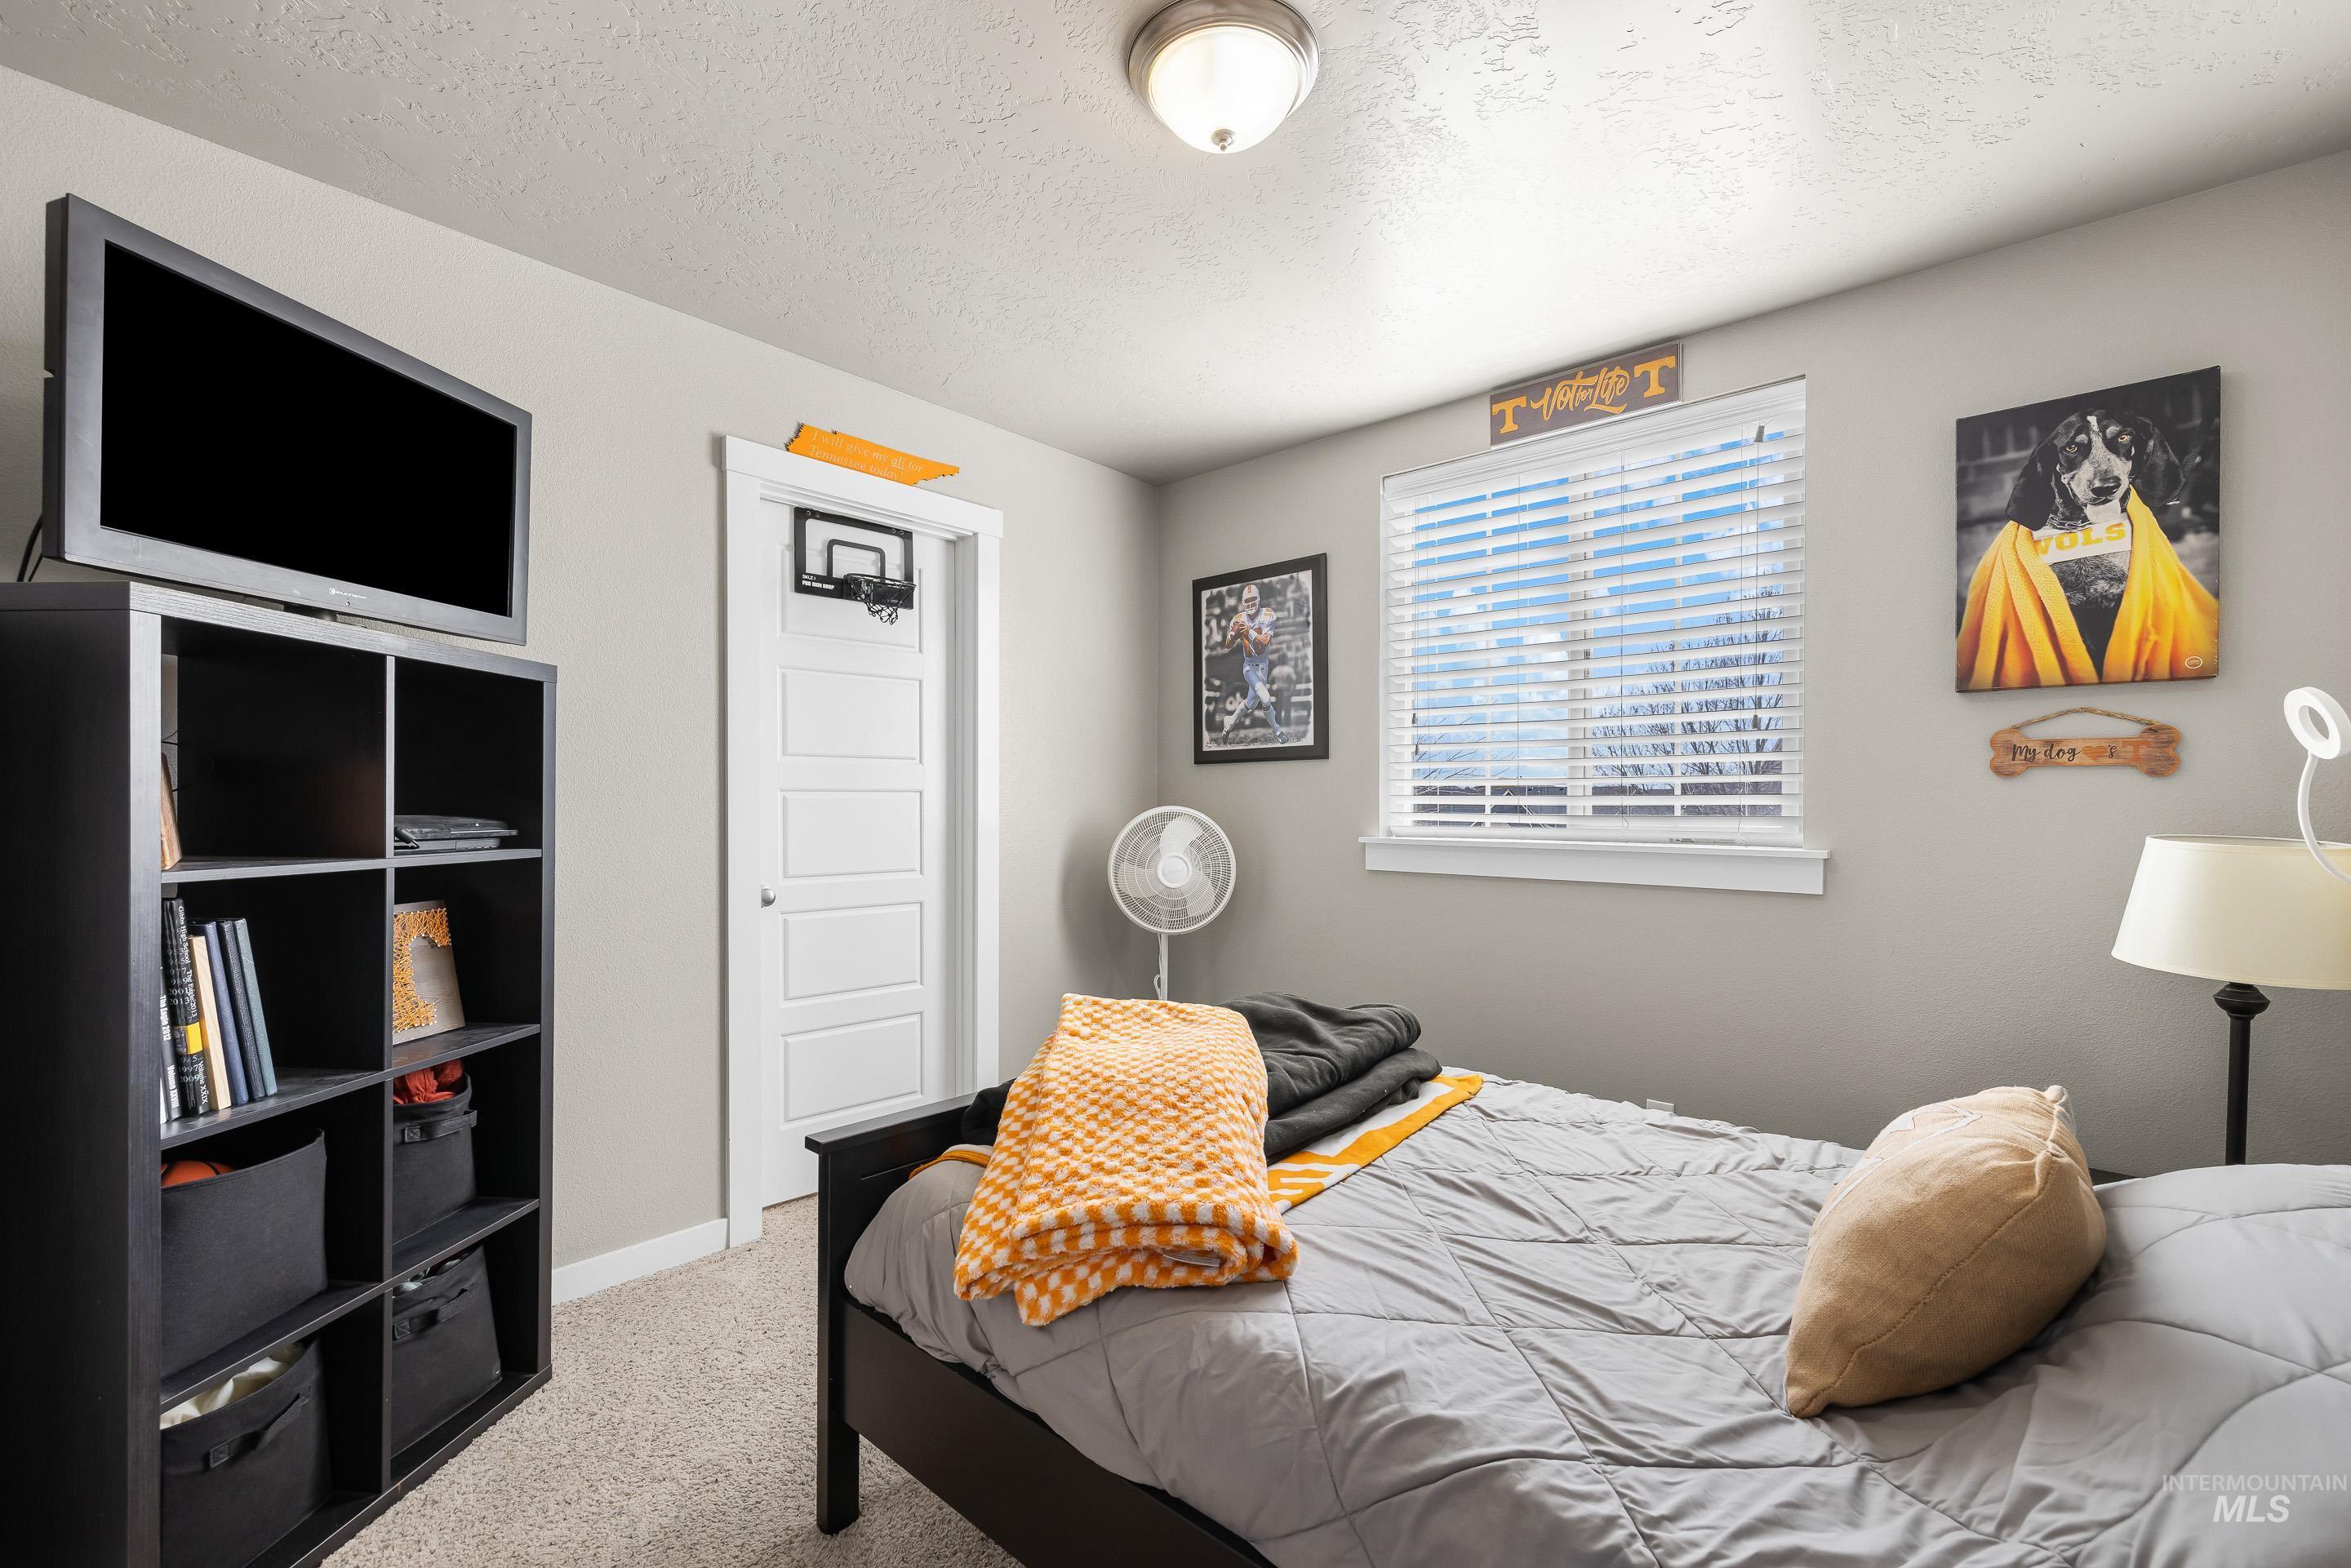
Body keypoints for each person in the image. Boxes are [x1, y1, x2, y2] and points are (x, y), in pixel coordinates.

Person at [1219, 583, 1288, 744]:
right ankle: (1277, 731)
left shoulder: (1268, 615)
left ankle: (1229, 722)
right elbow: (1227, 645)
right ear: (1243, 602)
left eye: (1253, 600)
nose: (1250, 604)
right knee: (1265, 698)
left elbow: (1264, 642)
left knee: (1250, 703)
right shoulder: (1238, 619)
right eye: (1247, 601)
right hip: (1249, 667)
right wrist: (1232, 635)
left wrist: (1247, 631)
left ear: (1258, 599)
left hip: (1263, 667)